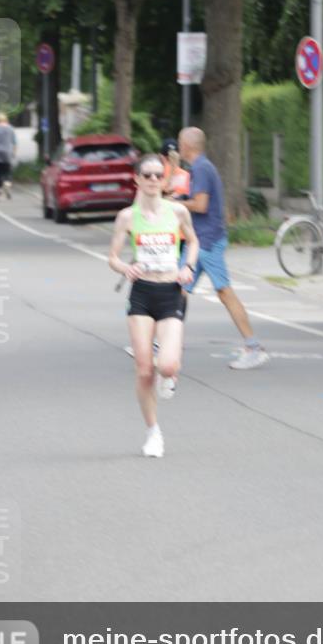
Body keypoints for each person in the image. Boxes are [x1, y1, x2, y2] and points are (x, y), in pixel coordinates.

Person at [109, 153, 199, 459]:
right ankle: (153, 432)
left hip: (171, 291)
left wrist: (188, 266)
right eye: (145, 175)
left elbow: (194, 242)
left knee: (169, 365)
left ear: (164, 180)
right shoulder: (126, 217)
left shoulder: (177, 212)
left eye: (157, 175)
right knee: (144, 370)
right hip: (142, 294)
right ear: (136, 179)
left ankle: (169, 375)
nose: (151, 180)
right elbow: (113, 257)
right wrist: (125, 268)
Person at [177, 127, 268, 370]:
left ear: (188, 146)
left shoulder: (201, 168)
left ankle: (253, 347)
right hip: (202, 239)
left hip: (206, 242)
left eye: (180, 143)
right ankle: (162, 345)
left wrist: (174, 204)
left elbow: (201, 204)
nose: (179, 147)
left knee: (224, 292)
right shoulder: (202, 167)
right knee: (177, 290)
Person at [0, 113, 17, 199]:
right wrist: (14, 153)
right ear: (6, 119)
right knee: (7, 171)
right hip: (7, 152)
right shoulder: (11, 129)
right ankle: (7, 184)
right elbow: (14, 142)